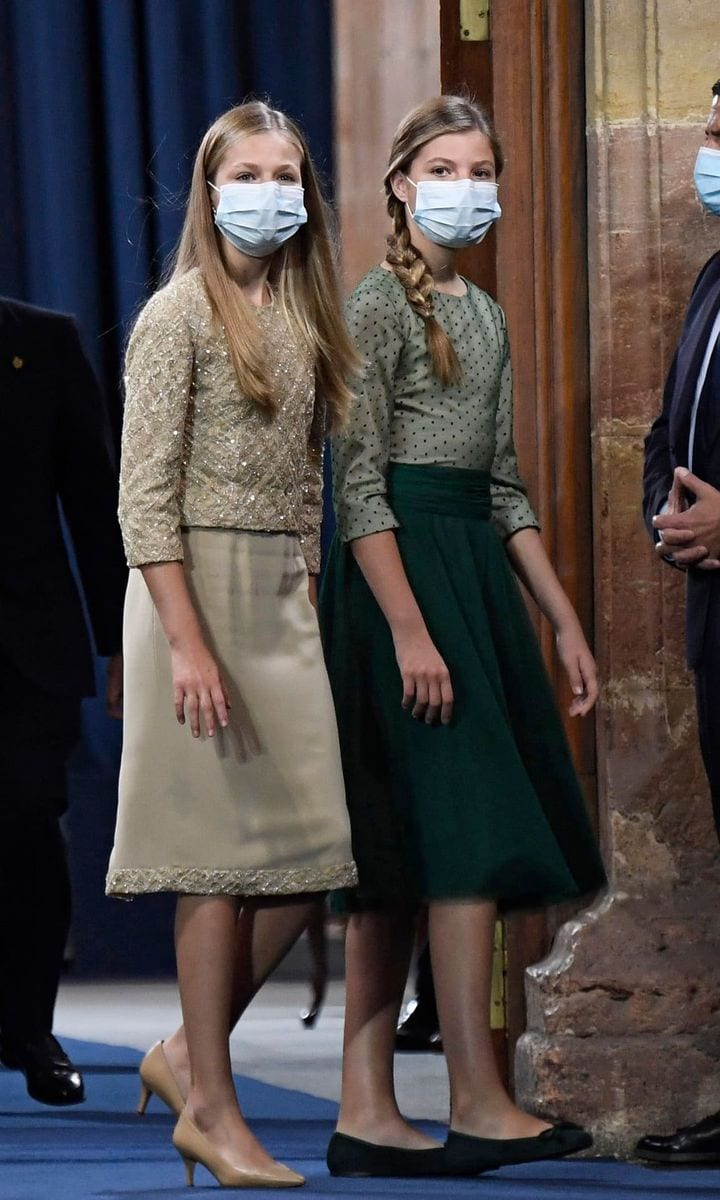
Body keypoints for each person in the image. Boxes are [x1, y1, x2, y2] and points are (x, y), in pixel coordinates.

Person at [319, 94, 607, 1179]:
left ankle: (366, 1111)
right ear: (400, 181)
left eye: (481, 166)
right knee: (455, 841)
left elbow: (503, 487)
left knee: (414, 850)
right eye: (443, 165)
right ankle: (478, 1099)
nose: (466, 185)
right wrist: (408, 631)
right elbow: (359, 485)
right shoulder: (374, 306)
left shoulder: (480, 314)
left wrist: (566, 620)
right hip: (403, 582)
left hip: (473, 576)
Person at [105, 101, 358, 1190]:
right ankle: (212, 1103)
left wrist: (303, 573)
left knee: (307, 863)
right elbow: (142, 499)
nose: (269, 191)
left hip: (278, 601)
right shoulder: (177, 318)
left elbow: (310, 475)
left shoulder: (306, 315)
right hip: (191, 592)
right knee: (212, 866)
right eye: (246, 173)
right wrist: (190, 644)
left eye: (285, 171)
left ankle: (179, 1056)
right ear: (211, 192)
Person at [0, 297, 125, 1105]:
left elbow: (92, 500)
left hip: (24, 646)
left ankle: (28, 1028)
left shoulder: (42, 342)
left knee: (26, 824)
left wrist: (123, 644)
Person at [638, 79, 720, 1166]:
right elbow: (670, 423)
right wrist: (671, 510)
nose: (712, 148)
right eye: (713, 128)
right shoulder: (712, 276)